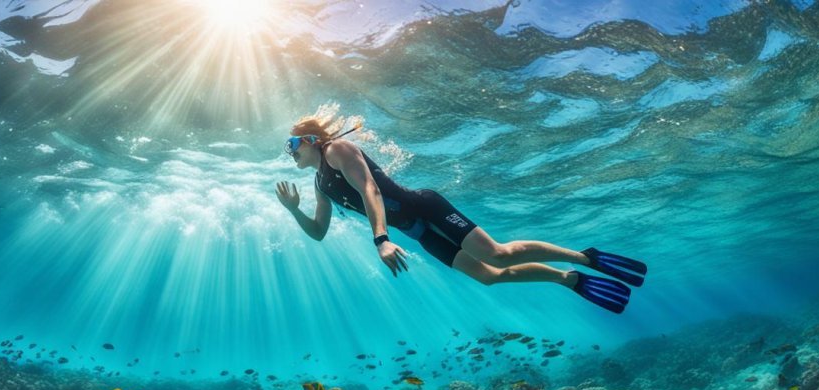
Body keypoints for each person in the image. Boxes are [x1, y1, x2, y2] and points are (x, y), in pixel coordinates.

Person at [274, 116, 647, 314]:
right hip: (419, 233)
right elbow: (318, 232)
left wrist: (382, 240)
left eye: (292, 144)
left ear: (310, 140)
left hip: (425, 207)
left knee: (498, 254)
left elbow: (369, 189)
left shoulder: (338, 149)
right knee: (489, 277)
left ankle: (585, 256)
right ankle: (568, 279)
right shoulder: (319, 186)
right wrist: (295, 212)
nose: (291, 153)